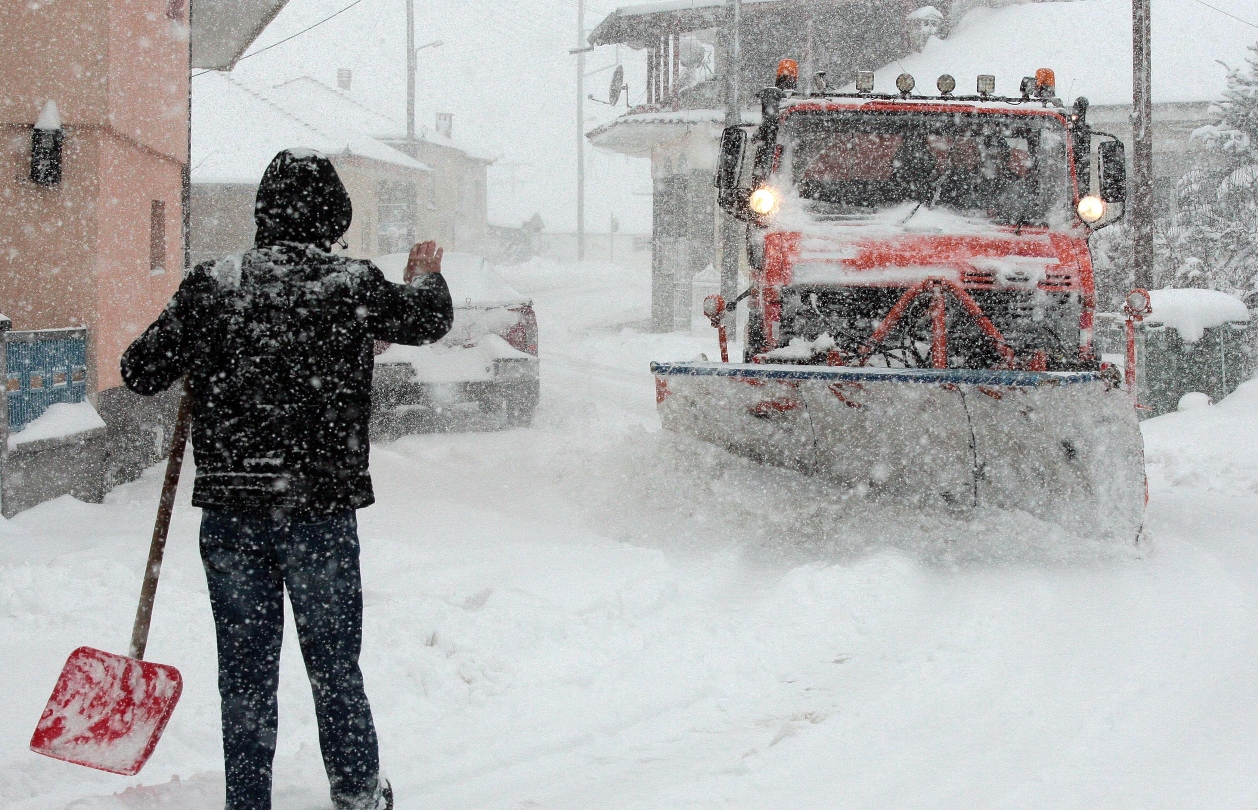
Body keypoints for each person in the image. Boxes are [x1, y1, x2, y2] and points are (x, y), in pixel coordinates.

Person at [121, 149, 453, 810]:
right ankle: (358, 792)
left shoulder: (213, 284)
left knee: (244, 675)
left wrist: (197, 343)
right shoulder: (350, 283)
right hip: (320, 510)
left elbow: (139, 369)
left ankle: (249, 802)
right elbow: (427, 322)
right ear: (334, 215)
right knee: (334, 666)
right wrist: (425, 279)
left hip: (234, 511)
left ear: (264, 211)